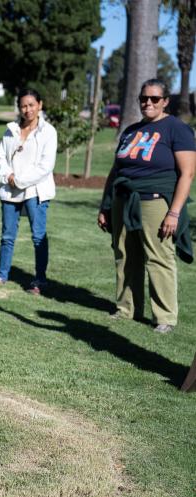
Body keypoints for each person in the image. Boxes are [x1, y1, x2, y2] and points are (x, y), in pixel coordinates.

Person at [98, 78, 195, 334]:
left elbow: (187, 174)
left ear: (165, 102)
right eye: (143, 98)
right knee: (124, 254)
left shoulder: (177, 129)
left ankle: (165, 317)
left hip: (155, 202)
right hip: (123, 199)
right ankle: (126, 308)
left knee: (159, 256)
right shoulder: (131, 130)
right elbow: (115, 169)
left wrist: (173, 212)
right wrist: (105, 205)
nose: (148, 103)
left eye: (154, 99)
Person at [0, 89, 57, 295]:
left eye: (31, 105)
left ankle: (40, 280)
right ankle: (2, 274)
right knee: (7, 235)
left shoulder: (48, 132)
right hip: (10, 190)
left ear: (40, 105)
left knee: (38, 236)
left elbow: (46, 166)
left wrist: (19, 180)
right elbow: (0, 158)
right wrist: (8, 176)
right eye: (23, 106)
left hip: (35, 190)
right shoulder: (10, 130)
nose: (27, 110)